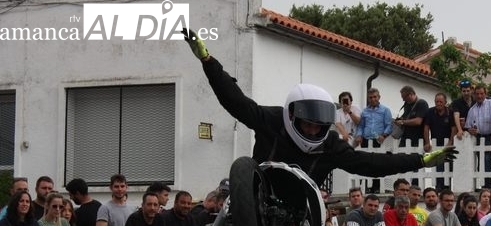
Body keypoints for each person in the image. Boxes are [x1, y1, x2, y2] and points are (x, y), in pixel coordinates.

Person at [184, 30, 455, 189]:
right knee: (230, 203)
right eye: (307, 124)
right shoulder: (272, 120)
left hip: (299, 206)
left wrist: (419, 160)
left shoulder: (331, 145)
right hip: (259, 190)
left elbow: (373, 164)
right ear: (293, 117)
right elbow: (236, 102)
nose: (313, 129)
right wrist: (208, 61)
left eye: (319, 125)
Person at [464, 84, 491, 188]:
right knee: (481, 161)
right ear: (474, 95)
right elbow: (468, 126)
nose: (479, 96)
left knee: (487, 160)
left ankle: (489, 185)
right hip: (479, 138)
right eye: (477, 94)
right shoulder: (472, 109)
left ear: (485, 94)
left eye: (481, 94)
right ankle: (484, 184)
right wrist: (470, 130)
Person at [423, 92, 456, 190]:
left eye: (441, 101)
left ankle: (447, 188)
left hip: (447, 144)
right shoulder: (430, 112)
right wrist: (427, 142)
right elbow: (426, 127)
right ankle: (438, 187)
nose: (439, 103)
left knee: (448, 166)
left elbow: (453, 128)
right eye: (437, 101)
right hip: (435, 144)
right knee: (437, 165)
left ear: (445, 102)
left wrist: (450, 142)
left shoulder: (450, 112)